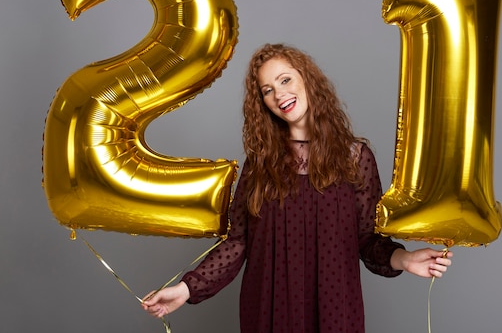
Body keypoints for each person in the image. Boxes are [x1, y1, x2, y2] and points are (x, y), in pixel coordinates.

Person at [142, 43, 452, 332]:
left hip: (335, 311)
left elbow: (368, 241)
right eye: (268, 90)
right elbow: (237, 244)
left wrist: (406, 259)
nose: (279, 94)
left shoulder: (355, 159)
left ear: (307, 80)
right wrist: (186, 289)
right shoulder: (260, 165)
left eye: (285, 80)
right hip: (267, 310)